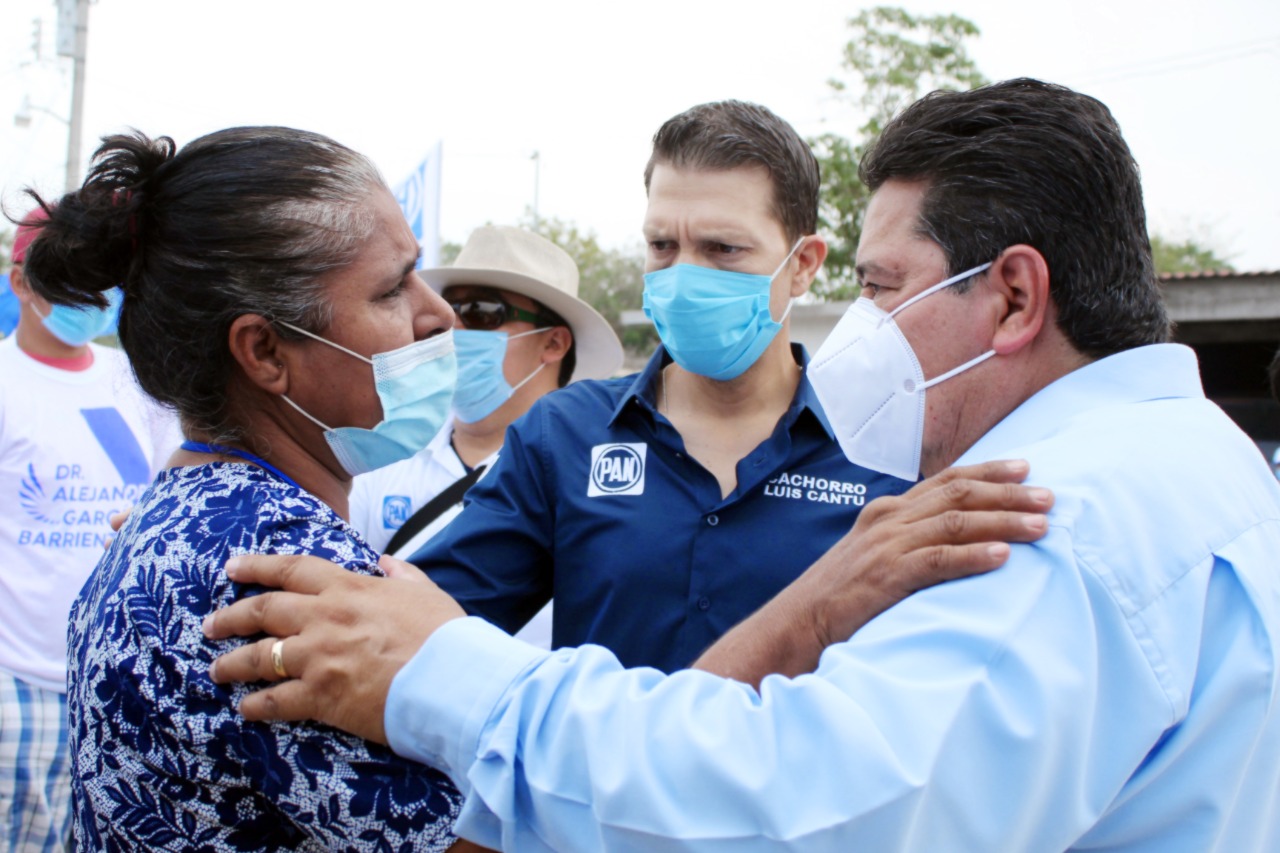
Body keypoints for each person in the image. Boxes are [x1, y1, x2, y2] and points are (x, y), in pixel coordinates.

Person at [207, 79, 1280, 851]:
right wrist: (222, 533)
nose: (870, 325)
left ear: (1009, 296)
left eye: (879, 284)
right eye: (661, 246)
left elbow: (797, 799)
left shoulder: (1011, 514)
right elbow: (404, 610)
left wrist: (449, 682)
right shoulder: (1209, 471)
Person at [22, 128, 478, 851]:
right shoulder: (296, 581)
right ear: (264, 350)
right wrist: (459, 660)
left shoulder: (170, 514)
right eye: (393, 288)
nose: (440, 315)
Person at [414, 101, 911, 673]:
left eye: (722, 249)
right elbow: (430, 625)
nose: (683, 276)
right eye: (662, 247)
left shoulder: (882, 455)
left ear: (803, 264)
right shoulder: (564, 436)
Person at [0, 207, 180, 853]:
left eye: (99, 281)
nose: (89, 299)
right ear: (20, 282)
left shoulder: (137, 385)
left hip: (113, 687)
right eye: (67, 281)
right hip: (15, 685)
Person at [348, 225, 622, 557]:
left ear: (553, 343)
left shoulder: (596, 477)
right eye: (449, 311)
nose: (454, 328)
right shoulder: (385, 456)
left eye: (482, 311)